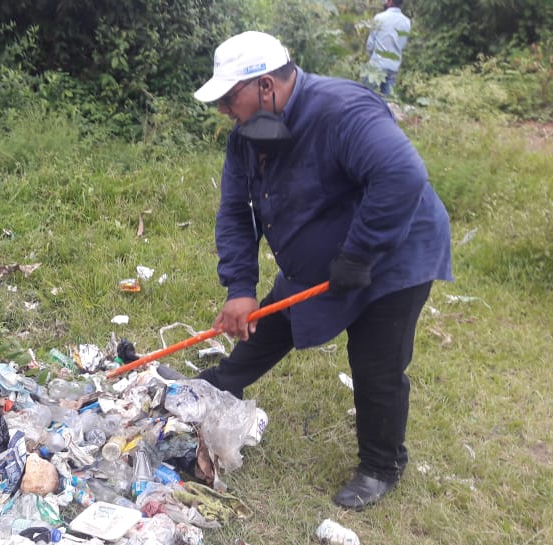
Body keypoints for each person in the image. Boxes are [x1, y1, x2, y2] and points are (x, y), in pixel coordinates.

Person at [192, 31, 452, 510]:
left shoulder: (341, 110)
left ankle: (381, 464)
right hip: (324, 257)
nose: (225, 110)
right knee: (276, 319)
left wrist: (360, 254)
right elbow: (234, 210)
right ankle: (223, 383)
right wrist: (240, 287)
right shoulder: (248, 137)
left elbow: (402, 176)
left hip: (395, 254)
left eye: (231, 98)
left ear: (265, 86)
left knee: (377, 362)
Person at [362, 0, 411, 97]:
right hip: (393, 67)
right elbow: (403, 44)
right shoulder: (407, 22)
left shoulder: (379, 18)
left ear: (390, 2)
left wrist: (371, 58)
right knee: (389, 104)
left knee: (364, 99)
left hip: (376, 66)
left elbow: (370, 45)